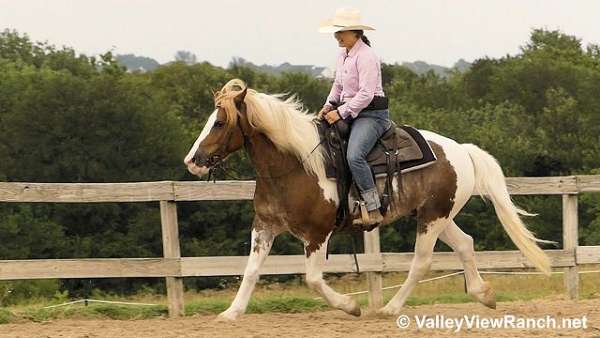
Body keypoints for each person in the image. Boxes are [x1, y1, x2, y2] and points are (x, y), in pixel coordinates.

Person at [318, 8, 391, 227]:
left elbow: (366, 94)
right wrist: (328, 104)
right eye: (336, 32)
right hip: (350, 111)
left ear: (356, 33)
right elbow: (338, 86)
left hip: (371, 115)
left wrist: (339, 112)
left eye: (342, 31)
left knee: (354, 156)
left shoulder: (366, 56)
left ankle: (373, 207)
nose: (337, 36)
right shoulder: (344, 55)